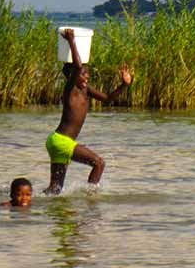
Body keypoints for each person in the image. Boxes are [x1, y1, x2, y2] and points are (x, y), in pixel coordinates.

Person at [45, 28, 132, 195]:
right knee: (99, 163)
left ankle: (32, 204)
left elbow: (108, 99)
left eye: (88, 75)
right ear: (72, 76)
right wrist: (71, 40)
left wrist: (124, 85)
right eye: (83, 75)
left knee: (55, 190)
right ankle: (90, 197)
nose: (87, 78)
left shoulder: (86, 90)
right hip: (62, 141)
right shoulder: (70, 89)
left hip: (57, 141)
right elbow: (77, 65)